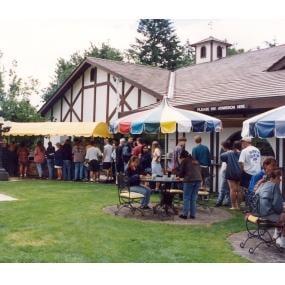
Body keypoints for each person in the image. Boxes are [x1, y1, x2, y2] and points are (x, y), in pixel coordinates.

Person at [253, 169, 285, 248]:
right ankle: (283, 242)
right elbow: (277, 206)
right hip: (267, 214)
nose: (280, 180)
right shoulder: (275, 186)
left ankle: (276, 236)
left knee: (282, 215)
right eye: (279, 178)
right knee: (283, 216)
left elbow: (255, 194)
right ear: (273, 178)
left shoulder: (264, 184)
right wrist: (282, 209)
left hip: (259, 213)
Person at [178, 150, 202, 219]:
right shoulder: (196, 161)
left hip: (189, 180)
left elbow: (181, 172)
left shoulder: (185, 161)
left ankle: (185, 214)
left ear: (182, 157)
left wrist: (179, 176)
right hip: (198, 180)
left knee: (186, 197)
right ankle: (192, 215)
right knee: (193, 198)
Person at [220, 141, 242, 210]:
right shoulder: (242, 153)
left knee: (232, 189)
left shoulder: (229, 153)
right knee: (239, 190)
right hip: (240, 172)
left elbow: (222, 157)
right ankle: (238, 206)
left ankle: (233, 206)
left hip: (231, 172)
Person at [215, 140, 231, 207]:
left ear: (224, 147)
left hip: (226, 171)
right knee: (228, 188)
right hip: (229, 172)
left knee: (223, 187)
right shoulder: (231, 152)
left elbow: (224, 161)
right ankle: (227, 201)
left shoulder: (227, 153)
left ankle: (219, 202)